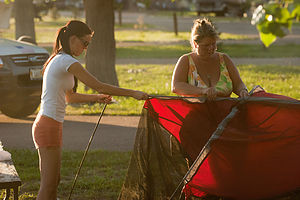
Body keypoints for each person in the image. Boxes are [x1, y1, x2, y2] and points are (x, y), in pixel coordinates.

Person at [32, 20, 148, 200]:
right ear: (72, 39)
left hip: (51, 124)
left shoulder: (61, 59)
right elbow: (99, 86)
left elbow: (69, 96)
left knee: (54, 182)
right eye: (84, 43)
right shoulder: (67, 61)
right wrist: (132, 93)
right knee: (48, 187)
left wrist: (96, 99)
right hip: (48, 126)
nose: (85, 48)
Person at [171, 18, 249, 100]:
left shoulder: (224, 59)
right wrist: (203, 91)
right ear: (195, 44)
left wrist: (242, 91)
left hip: (226, 111)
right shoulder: (186, 60)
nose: (211, 48)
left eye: (213, 44)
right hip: (196, 111)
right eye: (206, 45)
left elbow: (238, 84)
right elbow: (176, 86)